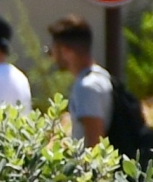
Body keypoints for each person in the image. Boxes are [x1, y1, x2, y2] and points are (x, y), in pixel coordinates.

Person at [48, 15, 114, 147]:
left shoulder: (86, 87)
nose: (52, 56)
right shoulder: (102, 76)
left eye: (53, 50)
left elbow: (95, 145)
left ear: (66, 51)